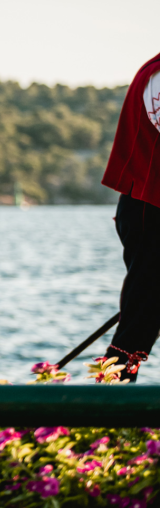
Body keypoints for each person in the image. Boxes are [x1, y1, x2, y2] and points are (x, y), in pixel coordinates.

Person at [98, 50, 160, 382]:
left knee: (142, 315)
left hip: (147, 207)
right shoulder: (158, 76)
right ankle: (107, 407)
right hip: (151, 210)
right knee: (140, 320)